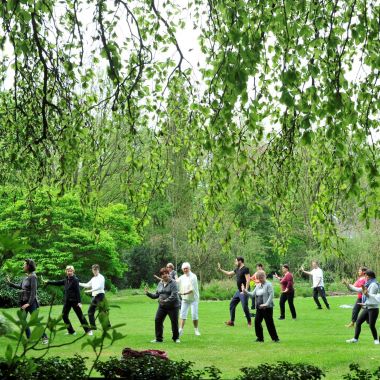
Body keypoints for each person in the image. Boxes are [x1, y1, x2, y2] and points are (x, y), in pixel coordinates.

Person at [6, 259, 49, 344]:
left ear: (29, 266)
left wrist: (28, 303)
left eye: (24, 265)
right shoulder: (26, 276)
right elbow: (20, 286)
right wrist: (10, 283)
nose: (23, 266)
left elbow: (33, 291)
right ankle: (29, 338)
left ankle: (45, 337)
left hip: (31, 302)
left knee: (35, 320)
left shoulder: (33, 276)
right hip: (23, 301)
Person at [44, 265, 92, 336]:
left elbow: (77, 291)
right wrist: (48, 282)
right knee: (64, 316)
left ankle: (88, 330)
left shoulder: (75, 280)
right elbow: (57, 282)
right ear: (66, 271)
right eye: (68, 271)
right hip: (67, 301)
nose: (69, 272)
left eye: (71, 271)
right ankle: (71, 331)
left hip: (75, 301)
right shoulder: (66, 280)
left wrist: (79, 302)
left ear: (73, 271)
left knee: (80, 316)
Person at [145, 267, 181, 343]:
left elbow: (174, 295)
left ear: (168, 274)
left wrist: (165, 301)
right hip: (162, 307)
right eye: (162, 274)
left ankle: (176, 338)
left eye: (166, 273)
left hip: (173, 306)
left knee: (174, 322)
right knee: (157, 320)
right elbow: (156, 295)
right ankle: (159, 339)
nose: (164, 275)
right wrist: (148, 293)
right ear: (161, 276)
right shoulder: (160, 283)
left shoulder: (173, 283)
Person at [242, 270, 279, 343]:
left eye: (261, 278)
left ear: (264, 276)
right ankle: (260, 338)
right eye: (258, 278)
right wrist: (245, 291)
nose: (260, 280)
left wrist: (266, 304)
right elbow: (252, 294)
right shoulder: (258, 285)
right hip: (259, 308)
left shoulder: (269, 284)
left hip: (267, 308)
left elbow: (271, 295)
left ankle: (275, 339)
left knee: (269, 323)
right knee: (257, 322)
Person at [345, 270, 379, 345]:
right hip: (367, 307)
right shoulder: (368, 284)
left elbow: (371, 297)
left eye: (366, 276)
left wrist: (365, 297)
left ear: (369, 276)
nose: (365, 277)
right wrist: (348, 285)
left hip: (373, 308)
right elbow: (358, 289)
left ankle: (376, 340)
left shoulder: (374, 285)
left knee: (371, 325)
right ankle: (355, 339)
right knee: (358, 322)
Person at [218, 257, 251, 327]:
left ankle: (249, 322)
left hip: (244, 291)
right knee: (232, 304)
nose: (235, 263)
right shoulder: (237, 269)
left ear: (240, 261)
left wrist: (246, 290)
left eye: (236, 261)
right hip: (239, 291)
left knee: (244, 307)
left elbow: (248, 280)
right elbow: (229, 273)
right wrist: (220, 270)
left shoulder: (245, 269)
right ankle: (232, 322)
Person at [79, 264, 109, 331]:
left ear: (98, 270)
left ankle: (107, 326)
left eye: (96, 270)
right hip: (95, 296)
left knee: (101, 312)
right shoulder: (93, 278)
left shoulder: (101, 277)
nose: (95, 271)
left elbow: (99, 287)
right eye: (93, 270)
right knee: (91, 312)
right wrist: (78, 283)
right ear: (92, 270)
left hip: (100, 296)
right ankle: (93, 327)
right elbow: (87, 285)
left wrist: (90, 290)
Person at [177, 262, 200, 337]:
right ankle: (181, 329)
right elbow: (175, 282)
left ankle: (196, 330)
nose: (185, 270)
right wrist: (164, 278)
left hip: (194, 299)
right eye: (184, 269)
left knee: (194, 315)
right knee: (182, 315)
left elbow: (192, 290)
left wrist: (182, 293)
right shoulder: (182, 277)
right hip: (185, 299)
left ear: (189, 268)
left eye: (186, 268)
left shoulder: (193, 276)